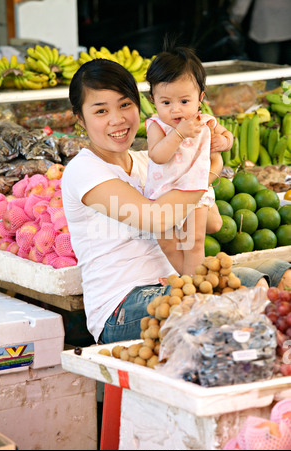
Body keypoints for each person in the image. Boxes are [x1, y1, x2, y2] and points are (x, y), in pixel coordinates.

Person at [62, 58, 291, 345]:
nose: (117, 119)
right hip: (122, 307)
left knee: (279, 274)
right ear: (80, 119)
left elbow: (212, 223)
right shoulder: (84, 171)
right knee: (248, 286)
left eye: (124, 105)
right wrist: (206, 174)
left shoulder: (150, 162)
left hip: (175, 284)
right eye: (100, 111)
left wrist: (207, 149)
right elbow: (157, 219)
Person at [144, 45, 233, 275]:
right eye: (166, 103)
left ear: (200, 98)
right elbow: (157, 155)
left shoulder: (204, 120)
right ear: (153, 100)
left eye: (184, 101)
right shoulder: (157, 125)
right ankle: (187, 280)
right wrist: (179, 133)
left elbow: (226, 136)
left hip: (194, 190)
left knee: (193, 242)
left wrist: (224, 142)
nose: (176, 110)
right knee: (168, 243)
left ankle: (193, 289)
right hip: (163, 194)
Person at [230, 0, 291, 65]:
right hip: (287, 24)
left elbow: (241, 6)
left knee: (269, 68)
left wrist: (234, 18)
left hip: (267, 27)